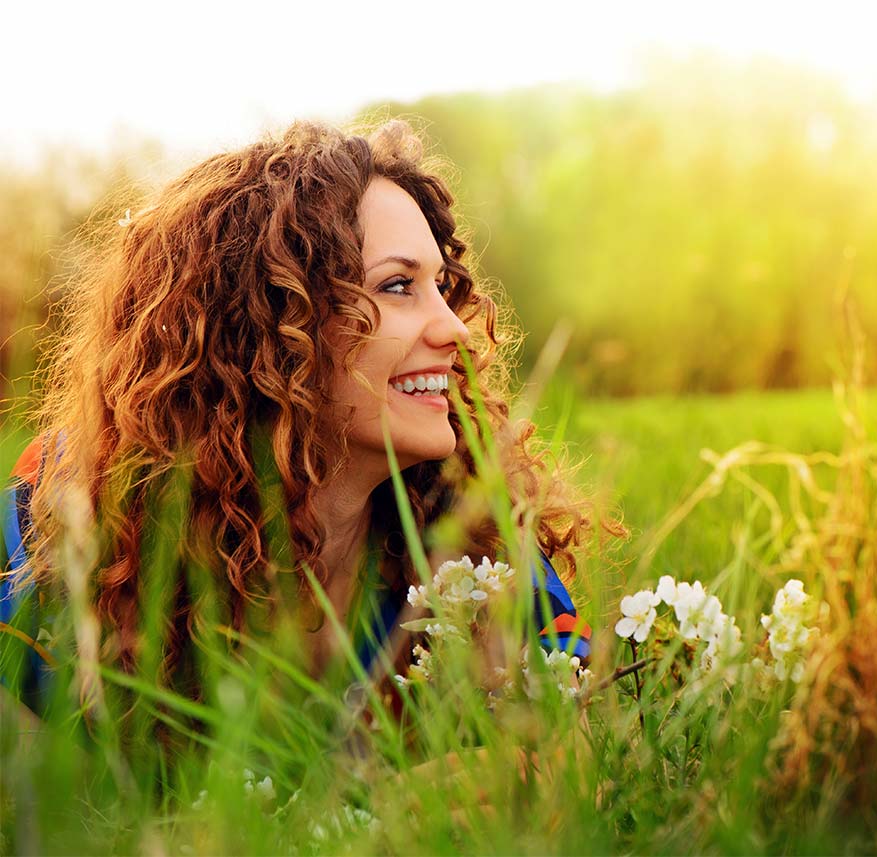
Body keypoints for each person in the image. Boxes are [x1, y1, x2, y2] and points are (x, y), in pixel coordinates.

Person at [0, 119, 612, 719]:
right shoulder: (43, 543)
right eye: (398, 286)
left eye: (443, 286)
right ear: (265, 329)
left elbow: (581, 742)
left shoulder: (478, 535)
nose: (454, 328)